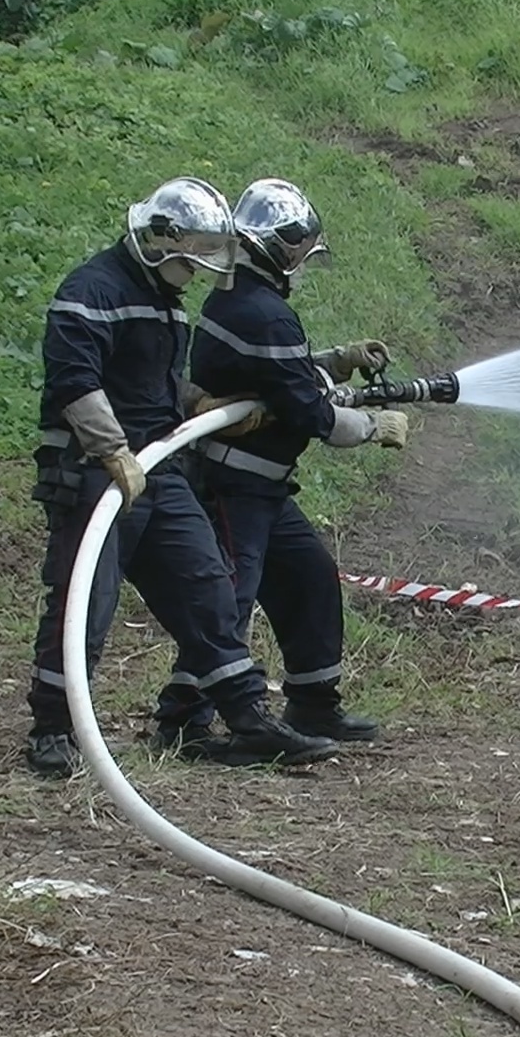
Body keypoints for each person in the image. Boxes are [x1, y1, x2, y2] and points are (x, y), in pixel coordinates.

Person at [23, 176, 340, 778]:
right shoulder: (91, 291)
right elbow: (74, 379)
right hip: (99, 475)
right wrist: (113, 452)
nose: (195, 274)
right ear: (160, 241)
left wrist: (195, 404)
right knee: (83, 604)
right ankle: (54, 729)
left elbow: (151, 381)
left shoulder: (161, 298)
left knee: (209, 590)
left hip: (159, 469)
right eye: (189, 260)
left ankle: (245, 718)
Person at [150, 178, 409, 759]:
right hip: (233, 486)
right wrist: (373, 427)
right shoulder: (263, 313)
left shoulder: (241, 299)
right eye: (300, 252)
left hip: (262, 488)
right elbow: (311, 414)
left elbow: (277, 378)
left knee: (309, 578)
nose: (301, 263)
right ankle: (184, 722)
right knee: (226, 604)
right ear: (280, 247)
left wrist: (334, 361)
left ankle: (314, 703)